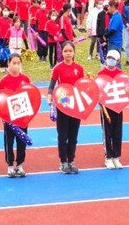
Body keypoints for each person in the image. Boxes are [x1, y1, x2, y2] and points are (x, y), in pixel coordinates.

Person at [47, 41, 84, 174]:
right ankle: (63, 161)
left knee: (73, 135)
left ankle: (71, 160)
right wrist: (49, 96)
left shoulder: (79, 68)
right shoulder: (57, 68)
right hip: (63, 105)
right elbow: (52, 85)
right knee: (63, 135)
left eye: (70, 51)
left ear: (74, 52)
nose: (68, 53)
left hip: (75, 107)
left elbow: (82, 87)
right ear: (61, 53)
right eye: (65, 51)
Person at [0, 54, 31, 177]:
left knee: (21, 140)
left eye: (18, 63)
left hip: (22, 116)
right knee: (9, 141)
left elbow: (29, 95)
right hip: (8, 117)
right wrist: (3, 115)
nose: (16, 65)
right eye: (14, 63)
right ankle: (10, 165)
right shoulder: (4, 81)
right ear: (8, 63)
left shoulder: (25, 79)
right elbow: (0, 98)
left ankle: (20, 164)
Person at [98, 50, 124, 169]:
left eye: (113, 58)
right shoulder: (101, 73)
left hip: (118, 106)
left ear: (117, 61)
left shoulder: (120, 74)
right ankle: (108, 157)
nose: (110, 60)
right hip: (106, 108)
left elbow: (126, 88)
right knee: (107, 132)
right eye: (109, 58)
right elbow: (97, 89)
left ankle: (116, 157)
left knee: (117, 131)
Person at [104, 0, 124, 67]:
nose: (108, 8)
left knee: (115, 60)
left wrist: (105, 36)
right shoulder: (114, 16)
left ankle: (118, 75)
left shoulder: (117, 17)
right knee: (110, 61)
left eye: (109, 6)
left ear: (113, 7)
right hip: (112, 41)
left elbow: (113, 30)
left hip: (115, 43)